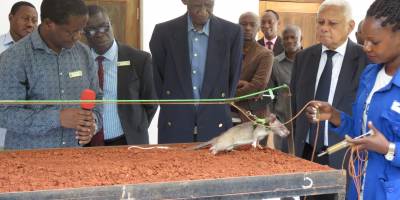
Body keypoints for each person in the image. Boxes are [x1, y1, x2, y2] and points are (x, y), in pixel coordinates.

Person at [305, 0, 400, 199]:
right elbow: (361, 132)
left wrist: (389, 148)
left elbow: (379, 143)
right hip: (358, 184)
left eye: (374, 42)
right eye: (364, 40)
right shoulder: (370, 74)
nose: (365, 48)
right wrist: (335, 116)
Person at [290, 1, 369, 199]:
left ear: (350, 26)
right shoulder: (304, 57)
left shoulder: (366, 60)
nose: (324, 28)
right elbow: (295, 107)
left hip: (346, 154)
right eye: (320, 22)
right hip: (307, 153)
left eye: (332, 23)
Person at [0, 0, 102, 150]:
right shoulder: (14, 57)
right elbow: (5, 114)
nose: (78, 37)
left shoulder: (84, 53)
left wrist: (93, 123)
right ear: (48, 24)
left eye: (81, 30)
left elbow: (97, 98)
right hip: (28, 162)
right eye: (71, 31)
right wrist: (57, 118)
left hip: (74, 157)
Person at [150, 0, 243, 143]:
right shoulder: (163, 32)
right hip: (174, 124)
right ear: (185, 1)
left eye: (208, 4)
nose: (203, 10)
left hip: (216, 124)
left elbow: (232, 78)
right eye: (197, 5)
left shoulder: (232, 33)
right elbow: (158, 78)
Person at [85, 5, 157, 146]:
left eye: (104, 27)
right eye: (92, 30)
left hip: (128, 141)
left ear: (111, 24)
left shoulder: (140, 60)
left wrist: (135, 128)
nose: (100, 33)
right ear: (83, 33)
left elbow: (151, 103)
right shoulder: (79, 60)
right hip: (89, 143)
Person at [234, 12, 273, 123]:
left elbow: (257, 86)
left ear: (258, 28)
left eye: (252, 25)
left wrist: (227, 95)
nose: (247, 28)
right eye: (243, 24)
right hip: (226, 113)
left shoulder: (266, 54)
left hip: (253, 114)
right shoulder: (228, 50)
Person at [268, 24, 302, 152]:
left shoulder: (311, 60)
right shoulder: (275, 63)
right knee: (282, 158)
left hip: (304, 121)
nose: (289, 41)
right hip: (282, 120)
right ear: (281, 41)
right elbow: (269, 92)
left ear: (301, 38)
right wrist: (272, 117)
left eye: (293, 37)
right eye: (286, 38)